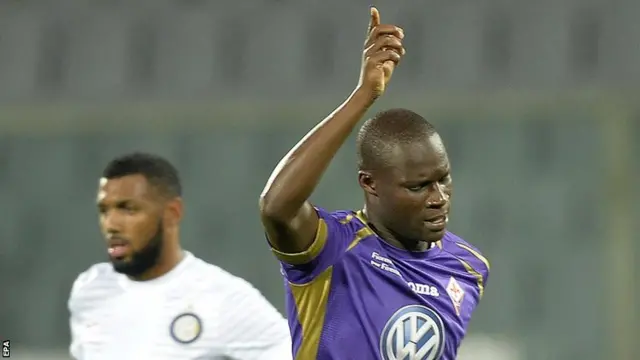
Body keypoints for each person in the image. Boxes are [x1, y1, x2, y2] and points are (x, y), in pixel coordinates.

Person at [259, 7, 490, 360]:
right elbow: (276, 207)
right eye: (419, 186)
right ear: (370, 183)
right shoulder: (331, 249)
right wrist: (363, 95)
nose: (438, 197)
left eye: (443, 180)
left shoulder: (468, 268)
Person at [68, 152, 292, 360]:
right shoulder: (90, 289)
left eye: (128, 209)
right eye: (104, 210)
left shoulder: (222, 297)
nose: (111, 224)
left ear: (172, 213)